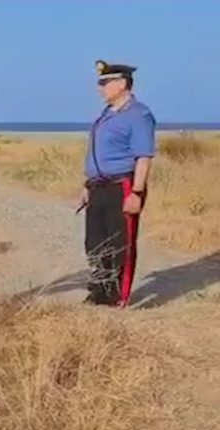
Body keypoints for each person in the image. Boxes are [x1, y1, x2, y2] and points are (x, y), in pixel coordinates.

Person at [79, 60, 156, 308]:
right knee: (94, 241)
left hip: (122, 186)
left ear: (122, 84)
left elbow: (143, 157)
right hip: (98, 186)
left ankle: (117, 296)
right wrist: (87, 186)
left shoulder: (138, 115)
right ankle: (100, 290)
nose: (99, 88)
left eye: (104, 83)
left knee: (120, 241)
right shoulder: (107, 114)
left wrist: (136, 192)